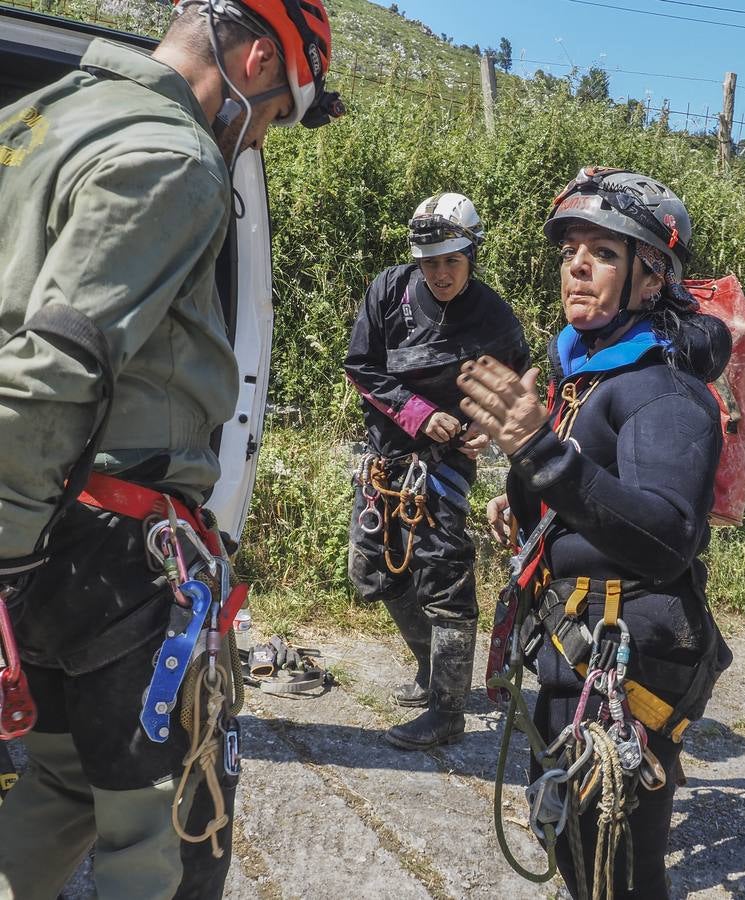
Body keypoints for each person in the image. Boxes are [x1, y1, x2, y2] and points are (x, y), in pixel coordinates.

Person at [0, 1, 340, 897]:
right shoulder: (173, 156)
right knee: (171, 826)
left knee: (64, 780)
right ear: (259, 57)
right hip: (110, 552)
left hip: (40, 536)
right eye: (274, 115)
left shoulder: (34, 121)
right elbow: (55, 364)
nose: (260, 138)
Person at [457, 167, 732, 898]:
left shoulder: (662, 391)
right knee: (573, 839)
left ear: (652, 278)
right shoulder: (593, 378)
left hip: (624, 652)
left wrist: (540, 455)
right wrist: (527, 505)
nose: (575, 264)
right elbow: (593, 487)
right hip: (580, 639)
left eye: (603, 252)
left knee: (613, 863)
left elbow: (668, 536)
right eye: (569, 249)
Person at [344, 193, 530, 751]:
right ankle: (433, 667)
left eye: (451, 261)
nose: (440, 273)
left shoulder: (493, 315)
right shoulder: (389, 292)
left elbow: (518, 384)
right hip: (384, 456)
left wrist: (487, 428)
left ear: (472, 255)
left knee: (444, 575)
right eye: (429, 262)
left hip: (443, 469)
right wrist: (422, 415)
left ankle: (447, 711)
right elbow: (361, 367)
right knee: (371, 569)